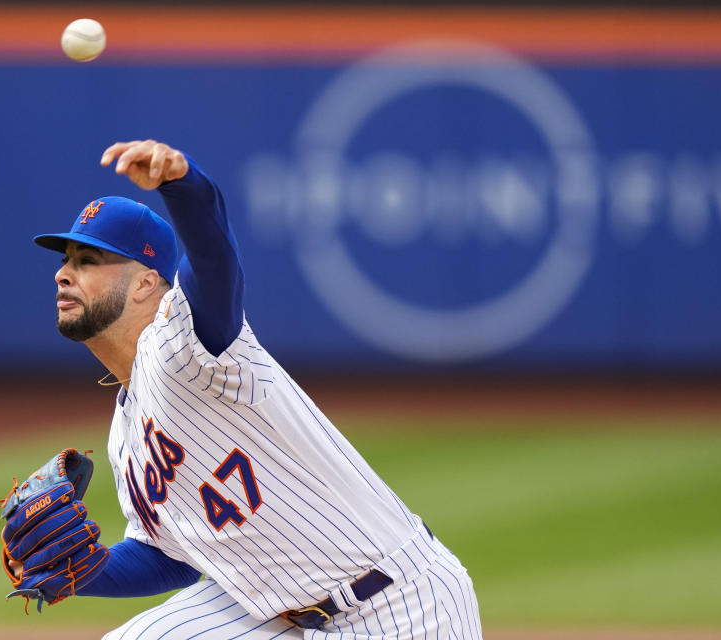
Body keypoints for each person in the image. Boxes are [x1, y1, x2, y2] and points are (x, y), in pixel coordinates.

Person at [33, 139, 482, 639]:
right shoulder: (124, 434)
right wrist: (81, 571)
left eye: (88, 259)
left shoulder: (185, 343)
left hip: (401, 604)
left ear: (145, 283)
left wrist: (182, 186)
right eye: (66, 258)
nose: (63, 273)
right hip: (278, 618)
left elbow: (215, 261)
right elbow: (171, 557)